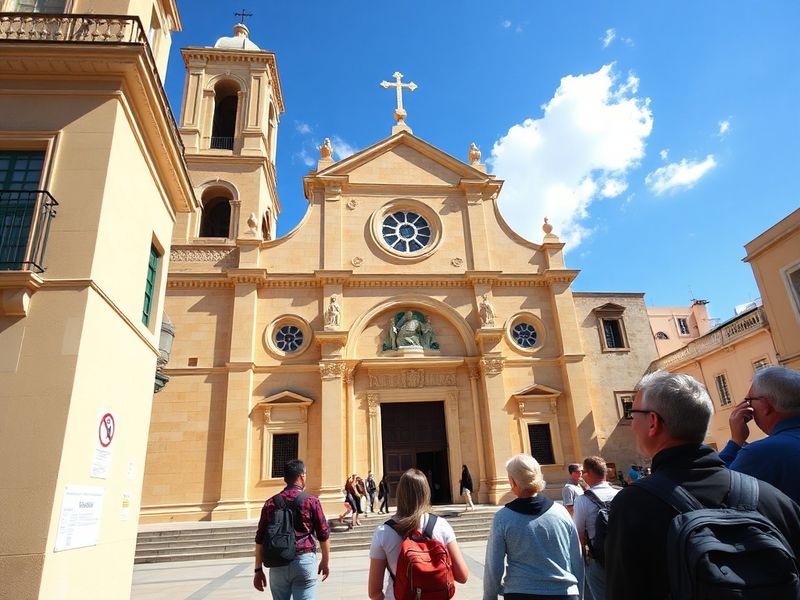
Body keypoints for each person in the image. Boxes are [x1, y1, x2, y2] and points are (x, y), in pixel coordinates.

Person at [605, 371, 800, 600]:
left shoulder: (634, 505)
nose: (630, 424)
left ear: (653, 422)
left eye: (633, 413)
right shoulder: (773, 498)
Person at [484, 453, 584, 599]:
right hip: (564, 593)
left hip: (521, 593)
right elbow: (577, 559)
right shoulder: (561, 512)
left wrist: (489, 597)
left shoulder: (503, 518)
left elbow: (493, 566)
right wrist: (579, 594)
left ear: (513, 482)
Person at [368, 468, 469, 600]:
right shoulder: (442, 526)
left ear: (400, 493)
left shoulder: (383, 532)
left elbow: (374, 592)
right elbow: (462, 576)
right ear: (426, 493)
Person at [719, 366, 800, 504]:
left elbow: (717, 494)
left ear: (765, 405)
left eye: (749, 401)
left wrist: (735, 442)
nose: (747, 406)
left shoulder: (761, 454)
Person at [254, 459, 331, 598]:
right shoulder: (311, 501)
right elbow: (323, 534)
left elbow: (260, 539)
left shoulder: (270, 503)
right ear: (302, 476)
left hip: (278, 562)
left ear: (285, 478)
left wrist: (258, 569)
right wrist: (325, 561)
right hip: (304, 560)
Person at [572, 456, 619, 600]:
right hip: (623, 553)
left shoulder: (582, 500)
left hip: (598, 557)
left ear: (588, 474)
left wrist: (581, 562)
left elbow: (578, 534)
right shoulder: (620, 493)